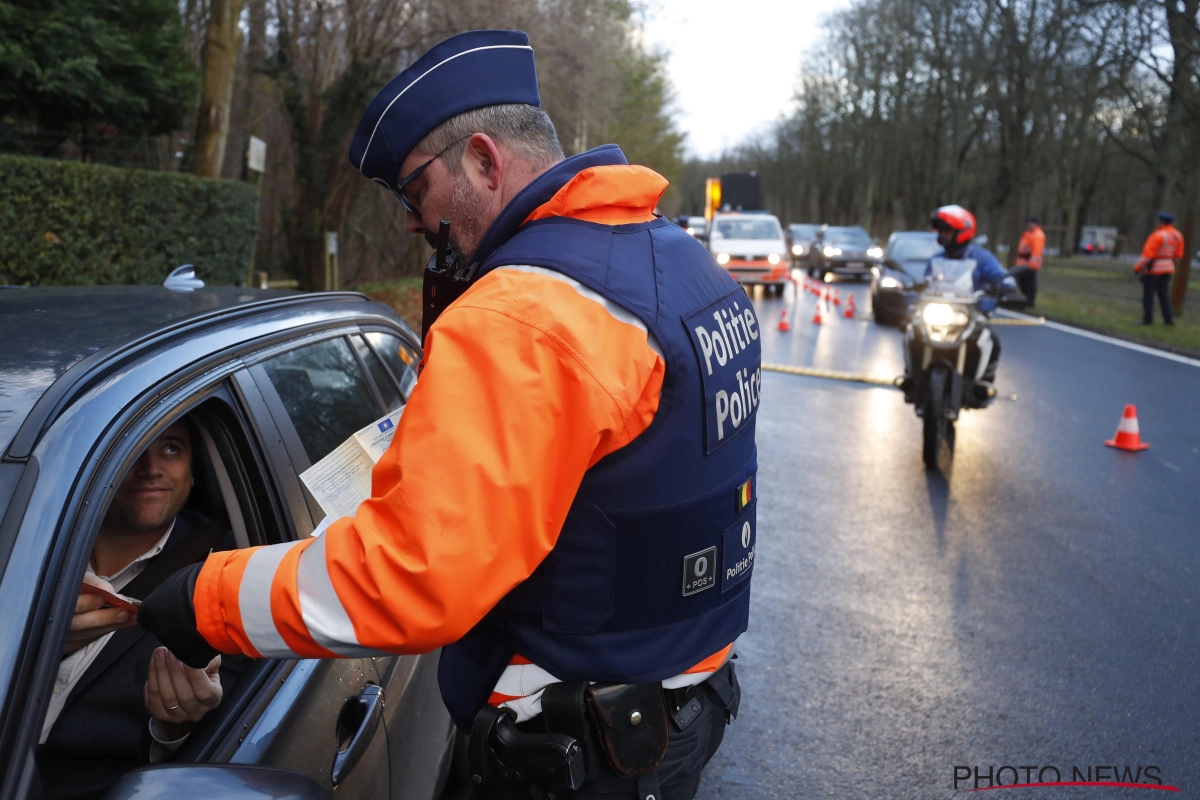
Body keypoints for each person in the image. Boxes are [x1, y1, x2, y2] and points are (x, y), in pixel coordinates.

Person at [140, 30, 755, 800]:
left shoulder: (523, 314)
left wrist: (204, 598)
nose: (409, 222)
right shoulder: (681, 262)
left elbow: (411, 576)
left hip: (575, 752)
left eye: (412, 192)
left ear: (485, 162)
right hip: (683, 704)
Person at [37, 420, 243, 800]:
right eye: (131, 448)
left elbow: (227, 744)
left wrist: (174, 727)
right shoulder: (29, 542)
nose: (150, 469)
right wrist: (37, 648)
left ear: (193, 471)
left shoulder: (225, 571)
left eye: (170, 448)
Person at [901, 205, 1011, 406]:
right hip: (938, 310)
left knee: (991, 340)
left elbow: (1000, 276)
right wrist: (912, 290)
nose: (942, 235)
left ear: (963, 232)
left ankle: (983, 384)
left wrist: (1004, 285)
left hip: (971, 312)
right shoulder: (937, 259)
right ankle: (912, 377)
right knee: (912, 332)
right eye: (941, 230)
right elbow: (926, 283)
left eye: (947, 230)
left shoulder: (981, 257)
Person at [1134, 211, 1185, 326]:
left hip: (1154, 269)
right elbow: (1179, 255)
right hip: (1168, 268)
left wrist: (1137, 268)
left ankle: (1148, 319)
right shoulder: (1178, 235)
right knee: (1164, 293)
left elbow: (1147, 255)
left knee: (1149, 294)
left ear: (1161, 221)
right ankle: (1169, 319)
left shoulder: (1157, 235)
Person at [1012, 215, 1045, 306]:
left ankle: (1029, 301)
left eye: (1031, 223)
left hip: (1030, 264)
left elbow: (1036, 251)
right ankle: (1024, 299)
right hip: (1023, 262)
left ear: (1035, 224)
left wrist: (1031, 263)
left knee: (1029, 283)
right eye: (1028, 223)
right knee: (1023, 282)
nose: (1029, 225)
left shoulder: (1037, 235)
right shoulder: (1027, 234)